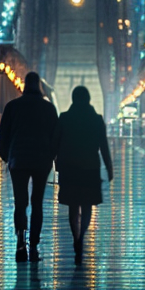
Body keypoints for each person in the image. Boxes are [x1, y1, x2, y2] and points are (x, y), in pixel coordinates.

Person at [0, 71, 58, 262]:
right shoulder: (48, 109)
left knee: (20, 202)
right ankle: (34, 246)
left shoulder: (12, 106)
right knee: (38, 202)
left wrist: (7, 157)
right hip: (41, 161)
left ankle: (20, 243)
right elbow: (56, 136)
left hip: (18, 160)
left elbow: (3, 136)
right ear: (39, 86)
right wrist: (51, 157)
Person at [54, 86, 113, 265]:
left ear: (73, 99)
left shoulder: (64, 118)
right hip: (90, 167)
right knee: (87, 206)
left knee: (73, 206)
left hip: (69, 167)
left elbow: (56, 142)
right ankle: (82, 237)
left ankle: (75, 237)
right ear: (88, 99)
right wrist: (109, 168)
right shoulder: (96, 119)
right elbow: (103, 145)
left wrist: (55, 162)